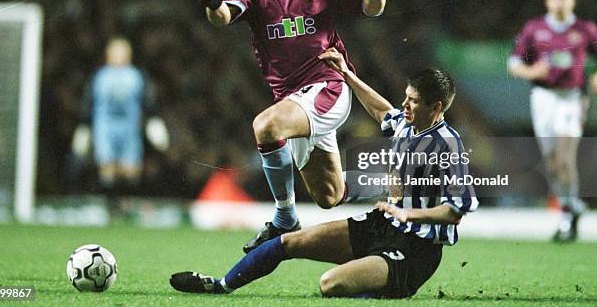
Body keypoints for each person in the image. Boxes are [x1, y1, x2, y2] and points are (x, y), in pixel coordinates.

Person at [170, 52, 478, 299]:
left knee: (331, 284)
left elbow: (455, 211)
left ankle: (387, 287)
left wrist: (406, 213)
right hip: (381, 226)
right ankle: (220, 285)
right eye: (406, 96)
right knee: (290, 242)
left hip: (416, 250)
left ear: (436, 107)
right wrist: (346, 74)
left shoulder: (447, 146)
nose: (404, 104)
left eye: (412, 100)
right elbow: (381, 110)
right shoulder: (407, 125)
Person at [197, 0, 391, 253]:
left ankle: (283, 218)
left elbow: (369, 7)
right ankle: (389, 183)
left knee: (266, 127)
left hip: (327, 86)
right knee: (330, 196)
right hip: (292, 100)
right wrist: (213, 5)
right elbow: (224, 17)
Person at [508, 0, 597, 242]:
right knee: (553, 162)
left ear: (572, 2)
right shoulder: (534, 29)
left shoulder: (584, 29)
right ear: (547, 2)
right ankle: (573, 205)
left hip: (572, 98)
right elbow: (514, 63)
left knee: (566, 156)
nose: (559, 2)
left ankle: (566, 218)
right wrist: (530, 71)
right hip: (543, 98)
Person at [71, 37, 169, 192]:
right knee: (107, 166)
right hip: (105, 128)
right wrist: (83, 126)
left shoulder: (136, 75)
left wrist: (154, 121)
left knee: (130, 169)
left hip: (129, 128)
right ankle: (108, 203)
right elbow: (88, 102)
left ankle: (127, 203)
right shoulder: (99, 76)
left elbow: (147, 100)